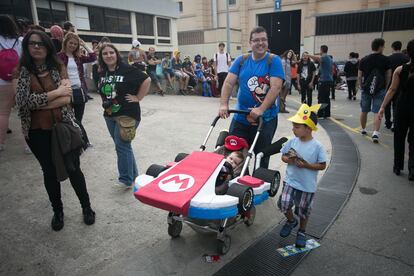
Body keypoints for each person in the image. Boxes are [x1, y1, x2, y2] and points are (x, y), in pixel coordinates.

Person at [14, 30, 95, 231]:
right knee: (49, 172)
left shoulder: (58, 66)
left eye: (41, 43)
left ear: (48, 46)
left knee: (74, 168)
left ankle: (87, 207)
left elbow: (67, 98)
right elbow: (22, 102)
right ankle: (58, 211)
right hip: (36, 131)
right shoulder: (22, 71)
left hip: (63, 126)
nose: (36, 47)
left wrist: (42, 101)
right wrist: (55, 94)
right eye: (32, 43)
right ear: (27, 47)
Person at [219, 26, 284, 169]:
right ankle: (238, 182)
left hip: (265, 119)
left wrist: (261, 109)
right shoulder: (241, 60)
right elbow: (229, 82)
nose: (260, 43)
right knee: (235, 154)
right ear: (250, 43)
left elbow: (275, 87)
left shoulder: (274, 61)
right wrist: (224, 104)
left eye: (264, 40)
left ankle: (259, 185)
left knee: (261, 156)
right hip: (241, 118)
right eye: (256, 40)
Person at [96, 43, 150, 188]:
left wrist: (138, 97)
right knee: (124, 146)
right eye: (105, 54)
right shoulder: (102, 71)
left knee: (121, 145)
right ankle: (134, 176)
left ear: (116, 54)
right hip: (109, 115)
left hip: (127, 114)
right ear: (101, 57)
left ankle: (125, 179)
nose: (108, 56)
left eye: (111, 53)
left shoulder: (127, 69)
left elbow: (146, 79)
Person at [278, 104, 327, 248]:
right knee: (283, 204)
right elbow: (283, 156)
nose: (293, 129)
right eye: (293, 126)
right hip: (290, 181)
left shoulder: (317, 146)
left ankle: (302, 231)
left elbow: (322, 165)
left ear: (308, 128)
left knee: (303, 210)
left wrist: (306, 165)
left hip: (306, 185)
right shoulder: (292, 142)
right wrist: (290, 159)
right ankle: (291, 221)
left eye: (297, 126)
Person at [378, 39, 414, 181]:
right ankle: (412, 169)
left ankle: (398, 166)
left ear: (408, 53)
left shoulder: (400, 70)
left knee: (399, 137)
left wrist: (382, 107)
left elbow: (392, 89)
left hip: (403, 106)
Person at [57, 32, 96, 147]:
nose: (73, 45)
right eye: (71, 43)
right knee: (68, 117)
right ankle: (81, 140)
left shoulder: (78, 56)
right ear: (65, 43)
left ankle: (82, 141)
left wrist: (84, 45)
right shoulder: (58, 56)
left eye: (75, 44)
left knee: (78, 118)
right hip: (66, 91)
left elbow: (93, 57)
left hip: (79, 90)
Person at [358, 38, 391, 143]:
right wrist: (385, 87)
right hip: (380, 89)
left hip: (366, 89)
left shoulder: (364, 59)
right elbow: (389, 75)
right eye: (383, 46)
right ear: (380, 46)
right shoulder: (386, 60)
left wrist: (361, 86)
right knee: (377, 111)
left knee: (364, 110)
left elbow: (359, 76)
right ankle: (375, 133)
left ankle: (363, 129)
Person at [0, 15, 22, 152]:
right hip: (19, 80)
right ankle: (28, 145)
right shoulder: (20, 41)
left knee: (3, 113)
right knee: (24, 112)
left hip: (1, 82)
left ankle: (1, 144)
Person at [384, 41, 410, 130]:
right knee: (396, 105)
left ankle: (388, 122)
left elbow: (386, 73)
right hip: (402, 85)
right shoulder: (406, 58)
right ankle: (395, 123)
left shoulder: (388, 58)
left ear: (392, 47)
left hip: (390, 84)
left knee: (387, 104)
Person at [308, 45, 333, 118]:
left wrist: (308, 55)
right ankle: (327, 113)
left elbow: (317, 58)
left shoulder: (324, 58)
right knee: (326, 98)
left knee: (321, 98)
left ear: (322, 50)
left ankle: (320, 114)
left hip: (324, 80)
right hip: (329, 80)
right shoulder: (329, 58)